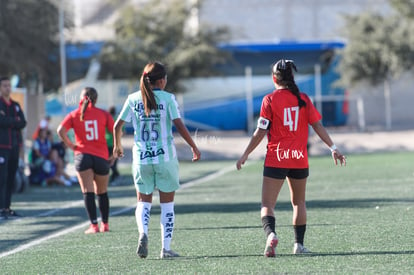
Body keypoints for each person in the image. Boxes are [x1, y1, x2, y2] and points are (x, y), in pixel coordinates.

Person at [236, 59, 346, 257]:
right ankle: (299, 245)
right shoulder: (303, 98)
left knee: (267, 205)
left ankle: (270, 235)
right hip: (298, 157)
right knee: (299, 202)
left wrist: (245, 154)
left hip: (277, 157)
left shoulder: (269, 100)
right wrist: (333, 147)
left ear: (273, 78)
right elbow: (318, 126)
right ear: (292, 77)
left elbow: (260, 132)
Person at [113, 61, 201, 259]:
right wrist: (194, 146)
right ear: (161, 80)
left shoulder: (133, 98)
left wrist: (117, 146)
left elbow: (117, 126)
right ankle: (166, 248)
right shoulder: (168, 98)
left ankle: (143, 233)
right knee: (167, 204)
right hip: (165, 158)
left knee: (143, 201)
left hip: (141, 158)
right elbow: (179, 125)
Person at [57, 87, 115, 234]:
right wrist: (114, 153)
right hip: (101, 157)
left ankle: (94, 225)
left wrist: (70, 145)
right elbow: (116, 131)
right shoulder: (104, 114)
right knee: (102, 192)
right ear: (95, 99)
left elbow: (60, 130)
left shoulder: (74, 114)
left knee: (87, 192)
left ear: (81, 98)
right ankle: (105, 224)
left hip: (83, 156)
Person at [0, 76, 27, 219]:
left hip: (14, 147)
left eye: (9, 85)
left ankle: (7, 207)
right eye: (4, 85)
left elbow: (23, 122)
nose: (7, 88)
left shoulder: (15, 105)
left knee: (11, 178)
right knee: (2, 178)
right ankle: (1, 209)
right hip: (2, 147)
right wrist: (13, 121)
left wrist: (10, 121)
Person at [105, 106, 120, 183]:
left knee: (107, 161)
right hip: (116, 143)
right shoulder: (117, 120)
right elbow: (122, 132)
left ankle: (114, 175)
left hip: (107, 143)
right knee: (114, 161)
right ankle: (115, 175)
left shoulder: (106, 119)